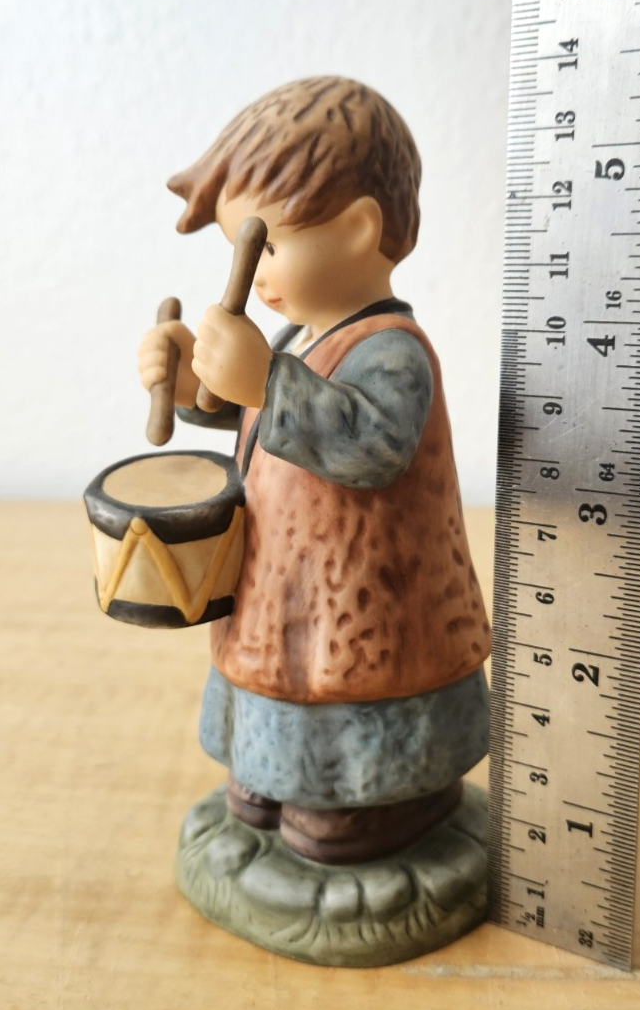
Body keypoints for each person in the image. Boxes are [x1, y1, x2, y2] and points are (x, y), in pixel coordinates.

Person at [138, 76, 491, 865]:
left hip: (371, 597)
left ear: (360, 228)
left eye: (266, 247)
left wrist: (266, 381)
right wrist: (196, 384)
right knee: (285, 679)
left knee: (352, 688)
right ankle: (280, 773)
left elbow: (370, 443)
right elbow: (261, 423)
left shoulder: (394, 351)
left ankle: (393, 794)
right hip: (286, 584)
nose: (253, 274)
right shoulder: (295, 336)